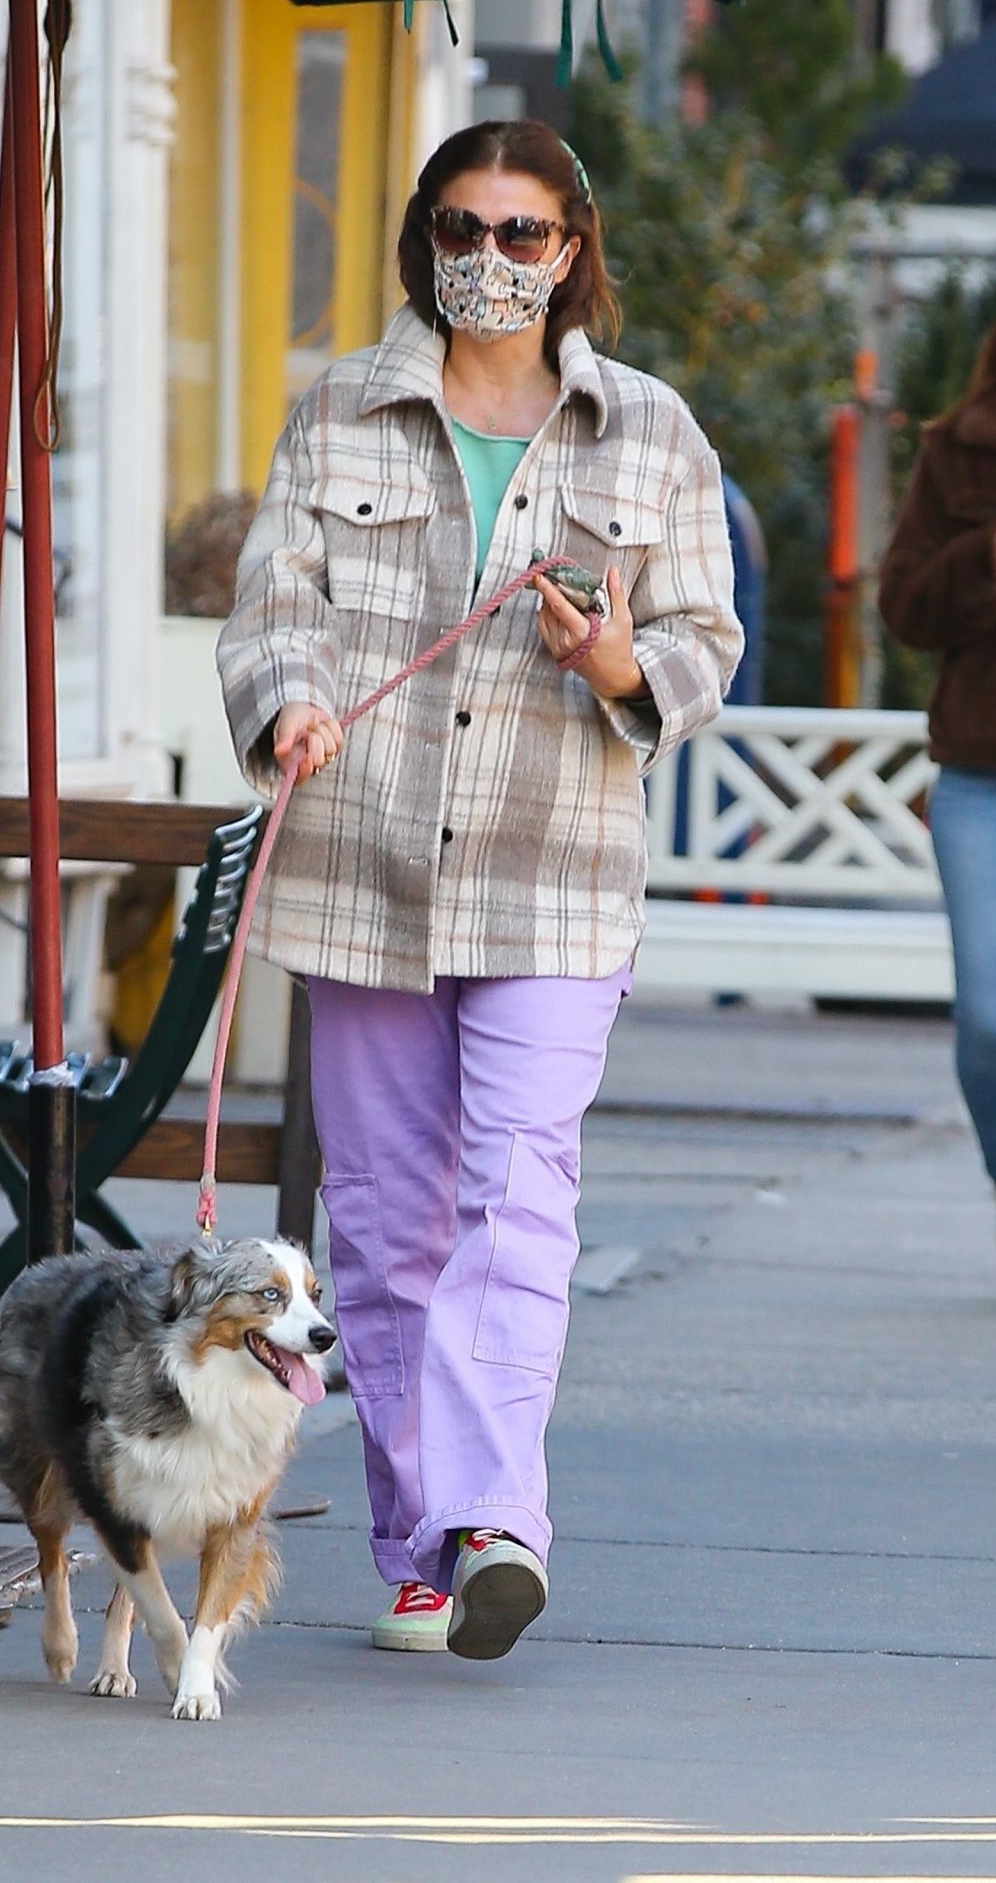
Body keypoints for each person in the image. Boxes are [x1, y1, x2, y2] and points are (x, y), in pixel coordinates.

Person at [217, 121, 741, 1658]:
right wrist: (290, 701)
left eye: (524, 236)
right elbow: (273, 604)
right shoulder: (340, 411)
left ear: (573, 250)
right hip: (361, 867)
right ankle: (424, 1546)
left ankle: (501, 1523)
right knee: (384, 1233)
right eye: (464, 228)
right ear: (424, 239)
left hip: (556, 882)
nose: (491, 261)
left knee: (517, 1203)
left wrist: (616, 661)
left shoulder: (649, 432)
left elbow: (705, 643)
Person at [880, 256, 996, 1312]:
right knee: (994, 1017)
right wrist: (986, 555)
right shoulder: (962, 445)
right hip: (988, 774)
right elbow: (901, 605)